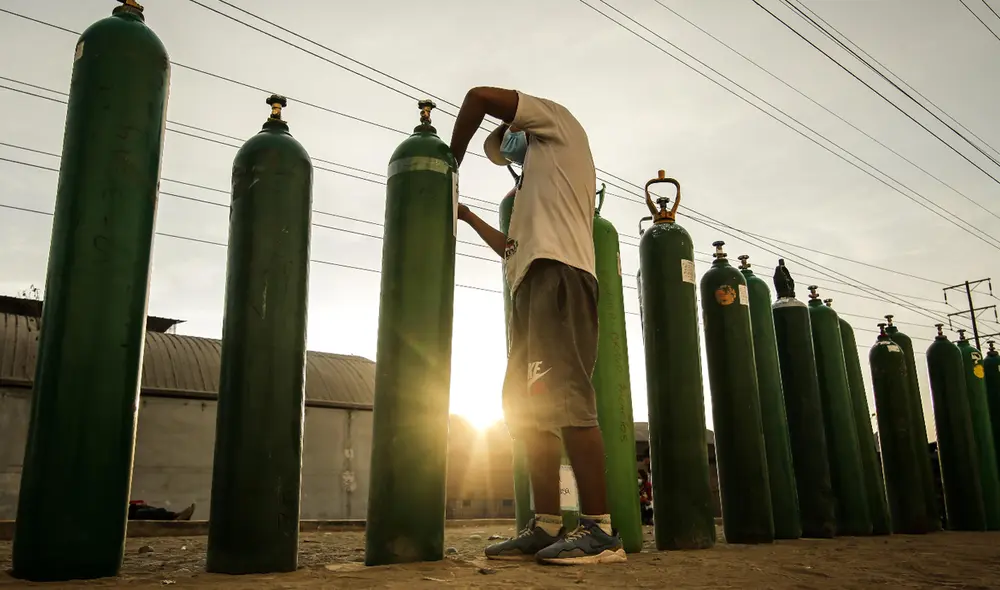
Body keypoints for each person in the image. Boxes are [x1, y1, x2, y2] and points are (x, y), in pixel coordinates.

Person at [449, 87, 625, 565]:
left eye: (508, 134)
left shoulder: (560, 125)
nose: (506, 143)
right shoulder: (534, 184)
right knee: (529, 414)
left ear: (525, 125)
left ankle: (601, 531)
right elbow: (512, 247)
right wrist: (467, 217)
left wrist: (452, 160)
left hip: (559, 275)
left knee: (567, 400)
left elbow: (478, 96)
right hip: (529, 284)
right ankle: (546, 525)